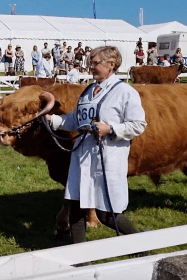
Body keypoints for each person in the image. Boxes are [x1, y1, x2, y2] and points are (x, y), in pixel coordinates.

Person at [45, 46, 147, 248]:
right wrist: (53, 120)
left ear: (111, 65)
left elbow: (139, 125)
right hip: (82, 157)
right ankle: (82, 258)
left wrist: (111, 129)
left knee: (106, 213)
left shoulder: (125, 92)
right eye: (90, 62)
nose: (90, 66)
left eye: (95, 63)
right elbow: (75, 121)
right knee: (76, 207)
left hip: (107, 157)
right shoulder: (88, 91)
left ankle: (140, 246)